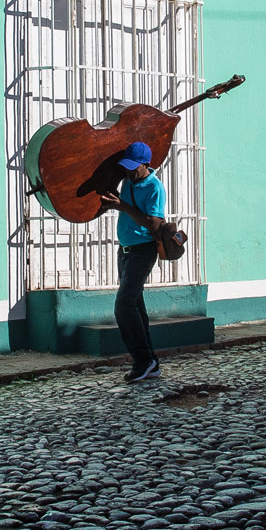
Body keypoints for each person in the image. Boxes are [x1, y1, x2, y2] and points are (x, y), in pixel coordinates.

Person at [100, 140, 166, 383]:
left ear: (146, 164)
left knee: (124, 305)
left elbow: (155, 224)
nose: (129, 171)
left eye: (133, 167)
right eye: (126, 166)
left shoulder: (154, 187)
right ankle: (151, 362)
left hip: (143, 251)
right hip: (125, 251)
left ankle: (142, 360)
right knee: (136, 307)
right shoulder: (128, 182)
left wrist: (123, 206)